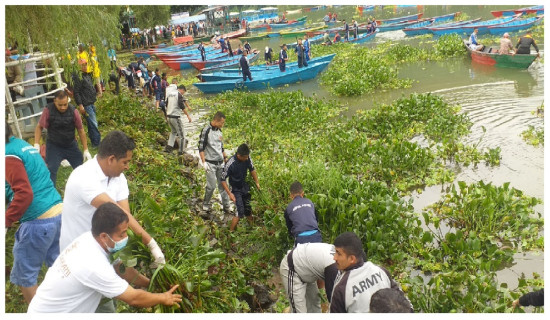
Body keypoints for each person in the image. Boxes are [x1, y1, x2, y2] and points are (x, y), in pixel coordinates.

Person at [59, 131, 166, 299]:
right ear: (111, 159)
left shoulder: (118, 178)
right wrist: (151, 243)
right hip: (80, 254)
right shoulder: (84, 177)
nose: (127, 167)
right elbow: (119, 214)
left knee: (106, 298)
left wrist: (140, 249)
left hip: (104, 245)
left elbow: (124, 221)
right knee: (92, 303)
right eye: (125, 162)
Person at [28, 203, 182, 313]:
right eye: (122, 234)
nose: (125, 237)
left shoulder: (90, 238)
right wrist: (163, 298)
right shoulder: (94, 265)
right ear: (104, 236)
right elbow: (133, 298)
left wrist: (151, 283)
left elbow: (122, 270)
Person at [5, 122, 63, 304]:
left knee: (25, 274)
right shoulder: (21, 145)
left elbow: (25, 193)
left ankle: (39, 313)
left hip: (38, 221)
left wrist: (5, 222)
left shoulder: (8, 155)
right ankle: (67, 307)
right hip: (57, 213)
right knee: (60, 268)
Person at [330, 232, 402, 313]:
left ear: (352, 259)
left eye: (338, 253)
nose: (334, 258)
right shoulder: (381, 271)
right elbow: (401, 300)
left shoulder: (341, 288)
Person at [34, 90, 92, 186]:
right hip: (54, 145)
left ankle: (85, 189)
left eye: (65, 104)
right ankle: (51, 195)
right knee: (51, 170)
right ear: (54, 101)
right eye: (60, 105)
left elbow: (81, 130)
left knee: (81, 169)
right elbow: (39, 127)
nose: (63, 107)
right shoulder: (48, 110)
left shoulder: (74, 111)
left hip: (70, 145)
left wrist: (86, 149)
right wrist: (36, 144)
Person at [280, 243, 339, 313]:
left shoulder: (346, 261)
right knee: (299, 311)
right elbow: (334, 305)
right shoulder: (334, 268)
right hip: (292, 267)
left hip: (308, 266)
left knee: (314, 304)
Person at [220, 143, 260, 231]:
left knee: (248, 208)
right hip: (235, 189)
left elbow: (252, 169)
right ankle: (231, 233)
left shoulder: (247, 158)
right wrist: (229, 194)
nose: (247, 159)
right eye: (245, 157)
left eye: (247, 157)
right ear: (239, 155)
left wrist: (257, 182)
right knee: (239, 211)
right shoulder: (230, 163)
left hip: (244, 186)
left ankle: (252, 229)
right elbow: (222, 179)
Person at [198, 111, 231, 214]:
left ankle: (226, 207)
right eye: (222, 122)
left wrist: (225, 158)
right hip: (210, 163)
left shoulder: (219, 131)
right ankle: (206, 204)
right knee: (211, 186)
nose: (223, 125)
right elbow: (201, 147)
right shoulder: (206, 130)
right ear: (216, 121)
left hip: (220, 163)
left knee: (223, 185)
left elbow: (221, 147)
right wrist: (204, 162)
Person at [73, 58, 101, 147]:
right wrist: (80, 105)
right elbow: (76, 92)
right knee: (93, 123)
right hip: (86, 104)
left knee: (91, 124)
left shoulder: (87, 75)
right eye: (83, 65)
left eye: (85, 65)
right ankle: (97, 143)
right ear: (79, 66)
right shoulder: (78, 77)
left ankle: (94, 142)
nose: (84, 67)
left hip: (91, 102)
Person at [284, 181, 321, 245]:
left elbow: (289, 227)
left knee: (299, 255)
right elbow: (316, 219)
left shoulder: (289, 207)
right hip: (316, 235)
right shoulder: (310, 202)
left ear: (291, 196)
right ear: (302, 194)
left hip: (301, 237)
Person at [164, 82, 192, 155]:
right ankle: (181, 151)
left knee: (173, 132)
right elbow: (182, 106)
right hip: (175, 117)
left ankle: (168, 148)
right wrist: (188, 116)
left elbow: (166, 104)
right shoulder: (178, 95)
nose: (183, 94)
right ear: (182, 90)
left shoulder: (170, 94)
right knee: (182, 135)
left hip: (169, 116)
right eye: (184, 92)